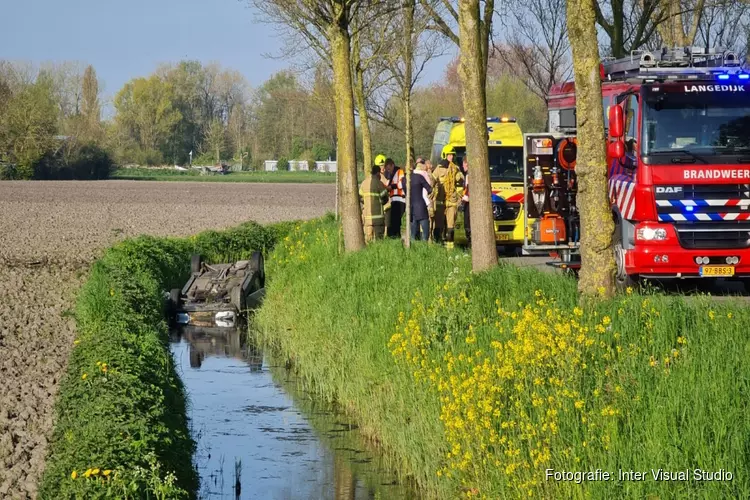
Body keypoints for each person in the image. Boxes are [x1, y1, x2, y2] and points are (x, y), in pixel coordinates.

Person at [432, 145, 464, 247]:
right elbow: (432, 181)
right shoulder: (438, 168)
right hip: (440, 201)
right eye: (449, 155)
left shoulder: (456, 168)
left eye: (452, 155)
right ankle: (438, 245)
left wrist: (459, 177)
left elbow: (462, 182)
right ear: (444, 155)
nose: (451, 157)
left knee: (451, 225)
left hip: (452, 201)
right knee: (439, 225)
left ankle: (450, 247)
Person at [359, 164, 389, 242]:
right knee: (379, 239)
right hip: (378, 218)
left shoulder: (364, 183)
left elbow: (360, 197)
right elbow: (385, 197)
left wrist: (366, 203)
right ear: (378, 173)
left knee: (368, 239)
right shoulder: (379, 183)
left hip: (367, 218)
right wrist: (380, 202)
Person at [410, 158, 433, 241]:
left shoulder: (406, 178)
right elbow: (429, 188)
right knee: (425, 231)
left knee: (413, 233)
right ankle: (424, 248)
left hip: (411, 207)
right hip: (423, 204)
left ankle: (413, 250)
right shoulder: (423, 174)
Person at [383, 158, 406, 239]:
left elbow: (401, 184)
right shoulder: (391, 174)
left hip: (400, 199)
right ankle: (395, 237)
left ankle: (396, 236)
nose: (388, 170)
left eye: (389, 168)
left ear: (393, 165)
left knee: (396, 220)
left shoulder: (400, 171)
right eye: (387, 169)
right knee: (394, 220)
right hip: (394, 199)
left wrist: (391, 187)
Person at [460, 156, 470, 242]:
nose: (462, 166)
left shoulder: (468, 175)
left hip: (469, 202)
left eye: (463, 164)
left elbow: (468, 187)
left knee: (467, 223)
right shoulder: (467, 174)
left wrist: (466, 197)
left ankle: (470, 242)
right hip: (467, 201)